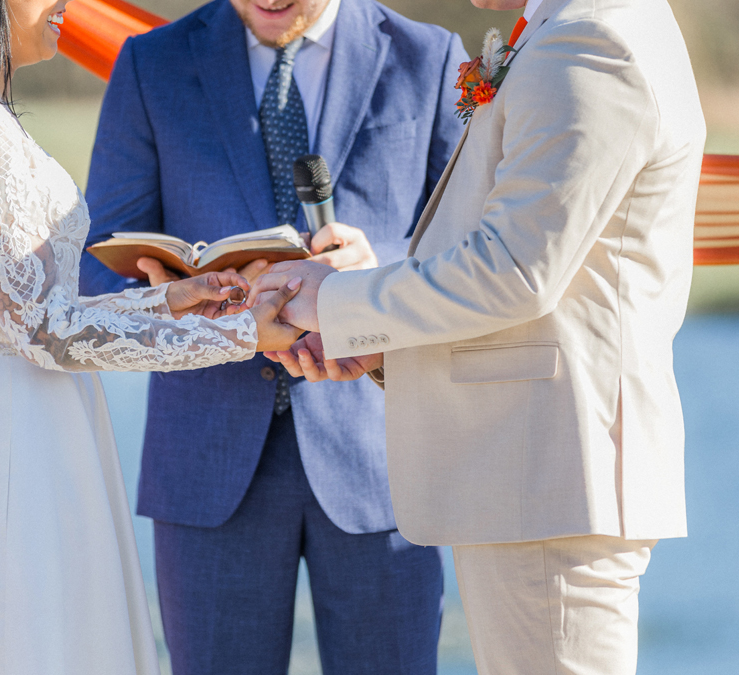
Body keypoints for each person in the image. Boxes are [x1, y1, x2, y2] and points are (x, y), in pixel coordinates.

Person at [0, 0, 303, 671]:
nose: (65, 3)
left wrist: (172, 298)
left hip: (19, 412)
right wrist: (238, 333)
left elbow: (41, 306)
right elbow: (44, 329)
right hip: (5, 441)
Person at [252, 0, 706, 673]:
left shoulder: (592, 42)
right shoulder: (587, 26)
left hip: (548, 481)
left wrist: (336, 300)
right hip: (535, 479)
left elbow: (515, 269)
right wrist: (383, 320)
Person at [79, 0, 467, 672]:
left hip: (384, 465)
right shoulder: (152, 64)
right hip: (207, 463)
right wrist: (195, 304)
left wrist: (380, 272)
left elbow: (473, 256)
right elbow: (99, 277)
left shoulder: (429, 60)